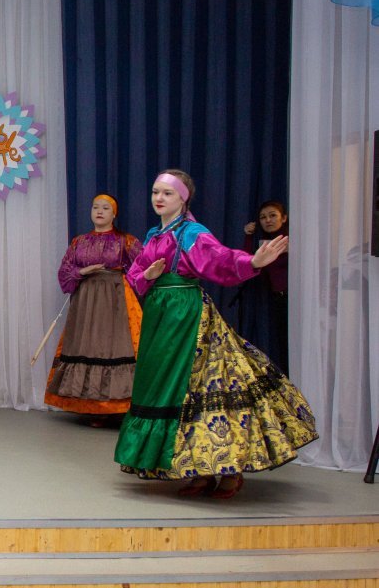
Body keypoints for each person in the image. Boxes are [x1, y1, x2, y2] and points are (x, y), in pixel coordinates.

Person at [114, 170, 317, 498]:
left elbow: (220, 259)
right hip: (158, 317)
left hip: (185, 316)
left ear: (183, 198)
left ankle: (228, 470)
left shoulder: (192, 233)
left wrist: (253, 261)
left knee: (198, 387)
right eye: (155, 192)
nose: (159, 198)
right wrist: (147, 276)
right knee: (163, 387)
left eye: (167, 193)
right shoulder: (153, 234)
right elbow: (136, 276)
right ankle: (198, 471)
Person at [44, 194, 143, 426]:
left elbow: (144, 267)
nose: (99, 211)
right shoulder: (79, 241)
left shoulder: (125, 241)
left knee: (114, 346)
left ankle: (119, 405)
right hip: (86, 301)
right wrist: (82, 272)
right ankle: (93, 407)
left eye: (105, 208)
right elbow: (64, 272)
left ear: (114, 213)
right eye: (96, 207)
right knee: (88, 345)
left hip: (116, 299)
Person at [241, 200, 289, 371]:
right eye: (263, 217)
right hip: (278, 300)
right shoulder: (264, 244)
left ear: (284, 218)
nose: (268, 220)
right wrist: (248, 236)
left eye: (273, 215)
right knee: (284, 343)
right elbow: (249, 263)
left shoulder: (292, 238)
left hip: (295, 297)